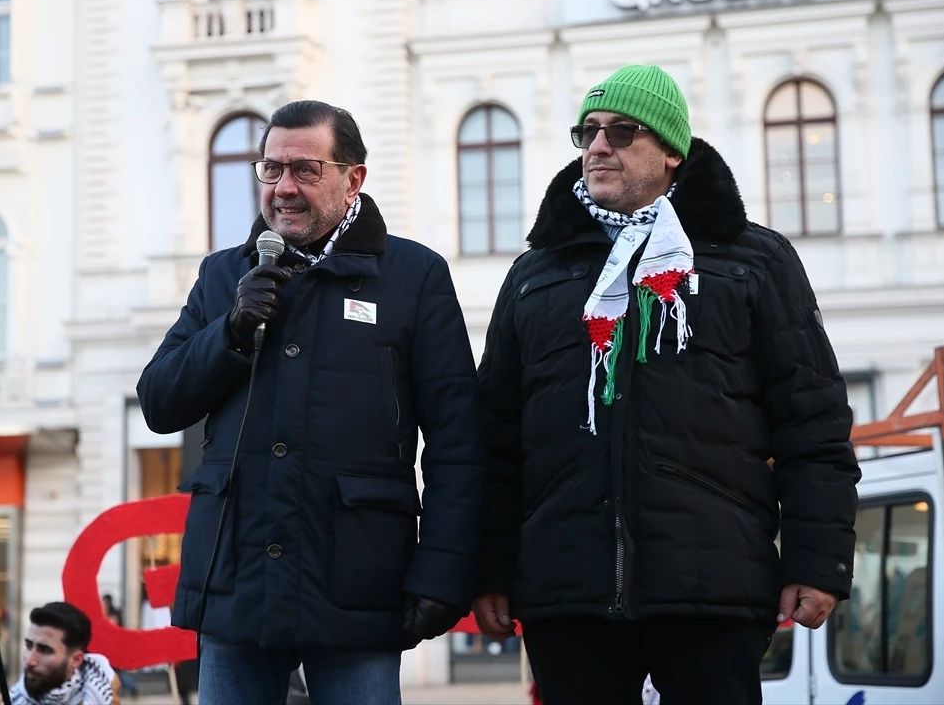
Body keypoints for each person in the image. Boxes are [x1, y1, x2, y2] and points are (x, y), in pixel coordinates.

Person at [473, 65, 861, 705]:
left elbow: (812, 422)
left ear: (672, 152)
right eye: (588, 132)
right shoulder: (534, 274)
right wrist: (487, 569)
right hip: (566, 590)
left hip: (713, 585)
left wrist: (818, 562)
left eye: (622, 132)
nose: (598, 146)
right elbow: (494, 439)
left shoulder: (752, 261)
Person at [137, 100, 482, 705]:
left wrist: (442, 574)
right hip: (235, 582)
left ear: (354, 179)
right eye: (270, 170)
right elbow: (160, 403)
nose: (283, 188)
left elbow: (459, 443)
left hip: (357, 584)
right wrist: (231, 331)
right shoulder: (224, 277)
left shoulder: (413, 276)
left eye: (304, 170)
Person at [0, 601, 120, 705]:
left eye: (45, 650)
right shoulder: (7, 700)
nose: (30, 660)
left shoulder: (103, 700)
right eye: (29, 646)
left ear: (76, 660)